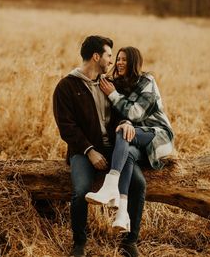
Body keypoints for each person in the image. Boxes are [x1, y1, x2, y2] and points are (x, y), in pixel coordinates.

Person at [53, 36, 146, 257]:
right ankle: (79, 244)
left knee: (139, 184)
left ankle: (129, 241)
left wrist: (125, 122)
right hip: (83, 151)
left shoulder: (108, 85)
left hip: (115, 149)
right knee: (80, 192)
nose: (111, 61)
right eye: (108, 56)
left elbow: (121, 114)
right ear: (96, 56)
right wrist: (89, 151)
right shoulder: (66, 86)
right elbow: (67, 127)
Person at [85, 46, 174, 242]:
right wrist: (123, 120)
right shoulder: (118, 84)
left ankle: (111, 185)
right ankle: (122, 213)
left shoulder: (147, 81)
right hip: (134, 142)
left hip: (156, 135)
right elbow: (119, 117)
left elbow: (135, 114)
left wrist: (114, 97)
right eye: (118, 59)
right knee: (129, 154)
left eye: (124, 59)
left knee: (124, 132)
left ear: (134, 62)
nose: (119, 63)